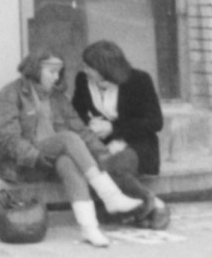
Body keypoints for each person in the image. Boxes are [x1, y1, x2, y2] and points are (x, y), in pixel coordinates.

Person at [0, 49, 145, 247]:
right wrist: (34, 157)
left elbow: (81, 129)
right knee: (67, 138)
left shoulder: (58, 97)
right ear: (35, 69)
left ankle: (89, 229)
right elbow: (7, 137)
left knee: (68, 162)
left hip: (52, 159)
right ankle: (111, 195)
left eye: (59, 72)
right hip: (24, 163)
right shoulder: (10, 93)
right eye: (51, 72)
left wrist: (104, 154)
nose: (56, 77)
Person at [72, 40, 172, 229]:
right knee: (94, 167)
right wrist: (90, 125)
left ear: (104, 68)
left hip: (137, 143)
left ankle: (149, 206)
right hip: (99, 143)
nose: (84, 70)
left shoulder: (139, 80)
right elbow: (76, 113)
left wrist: (113, 128)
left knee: (110, 168)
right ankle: (152, 206)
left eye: (89, 66)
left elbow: (155, 122)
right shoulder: (82, 80)